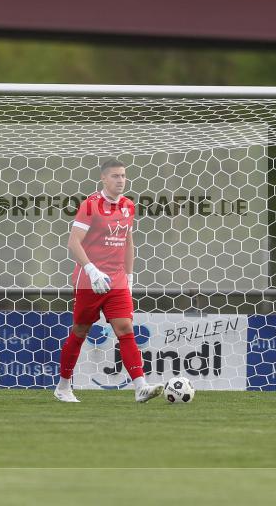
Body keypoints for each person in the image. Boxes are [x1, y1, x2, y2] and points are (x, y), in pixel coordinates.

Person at [53, 159, 163, 403]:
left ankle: (140, 387)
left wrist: (130, 277)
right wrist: (92, 270)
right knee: (80, 331)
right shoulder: (90, 205)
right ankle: (63, 386)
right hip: (89, 281)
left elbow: (128, 242)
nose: (121, 180)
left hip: (117, 280)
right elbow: (73, 243)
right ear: (103, 178)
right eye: (115, 176)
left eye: (123, 176)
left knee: (125, 329)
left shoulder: (128, 206)